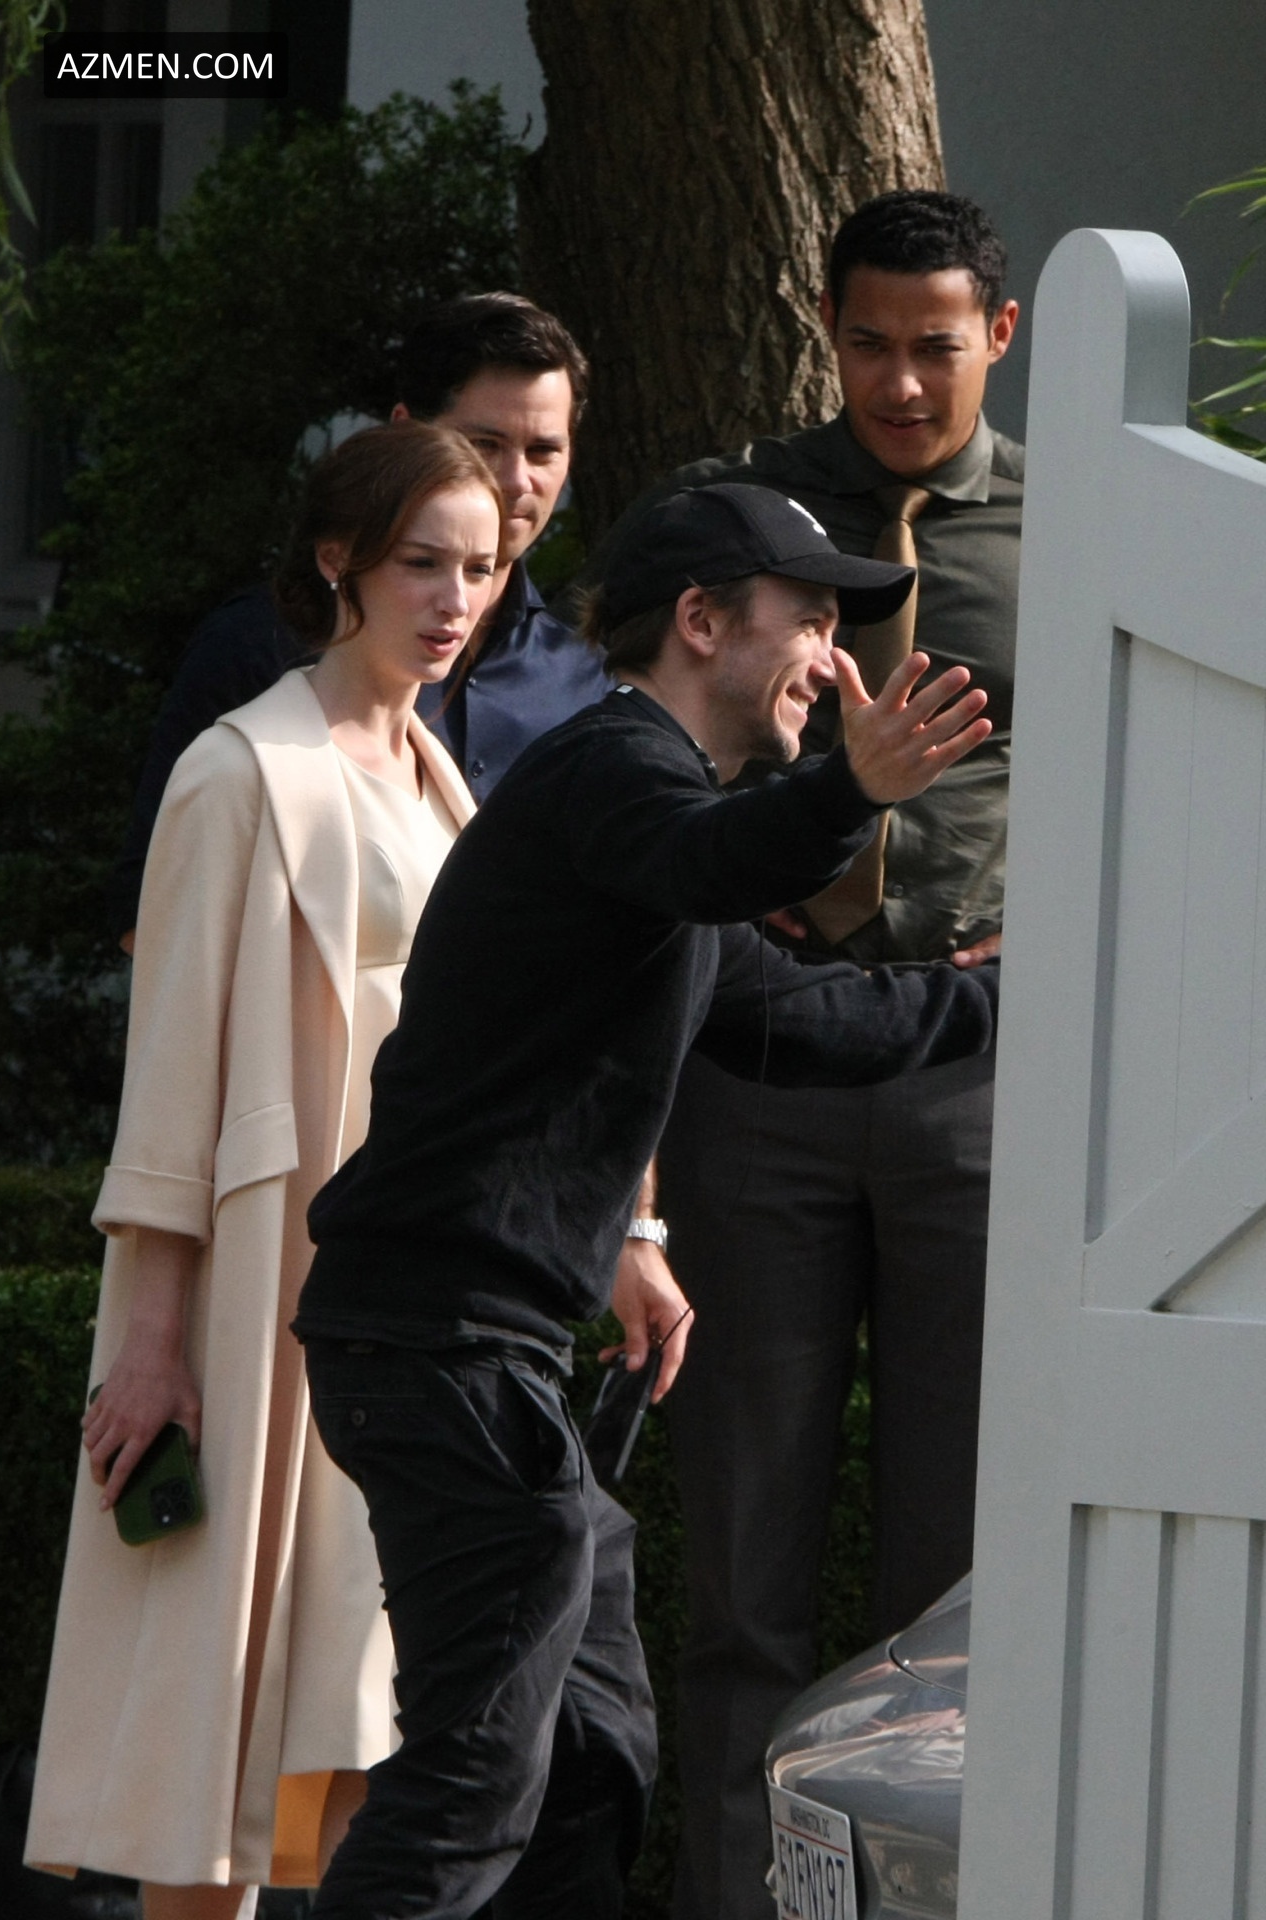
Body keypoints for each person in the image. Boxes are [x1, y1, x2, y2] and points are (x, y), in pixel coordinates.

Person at [291, 480, 1001, 1918]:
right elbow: (714, 859)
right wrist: (851, 790)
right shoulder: (613, 775)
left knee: (588, 1756)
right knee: (472, 1777)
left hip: (482, 1356)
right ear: (699, 622)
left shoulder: (653, 844)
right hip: (436, 1345)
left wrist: (1029, 997)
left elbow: (816, 1021)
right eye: (808, 617)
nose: (830, 656)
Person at [603, 189, 1023, 1920]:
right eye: (867, 344)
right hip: (763, 1065)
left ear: (1000, 338)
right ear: (826, 334)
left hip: (972, 1072)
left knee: (955, 1589)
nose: (901, 384)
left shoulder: (1080, 525)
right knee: (744, 1573)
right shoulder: (748, 519)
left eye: (937, 347)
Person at [26, 422, 501, 1919]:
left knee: (350, 1704)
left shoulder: (440, 779)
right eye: (422, 562)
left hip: (400, 1292)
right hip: (262, 1299)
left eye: (480, 567)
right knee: (219, 1731)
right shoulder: (236, 773)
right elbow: (169, 1083)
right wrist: (153, 1343)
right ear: (337, 560)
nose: (454, 598)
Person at [107, 292, 611, 950]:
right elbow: (151, 919)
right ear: (403, 433)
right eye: (485, 443)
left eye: (543, 451)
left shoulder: (583, 676)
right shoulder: (262, 647)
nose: (516, 481)